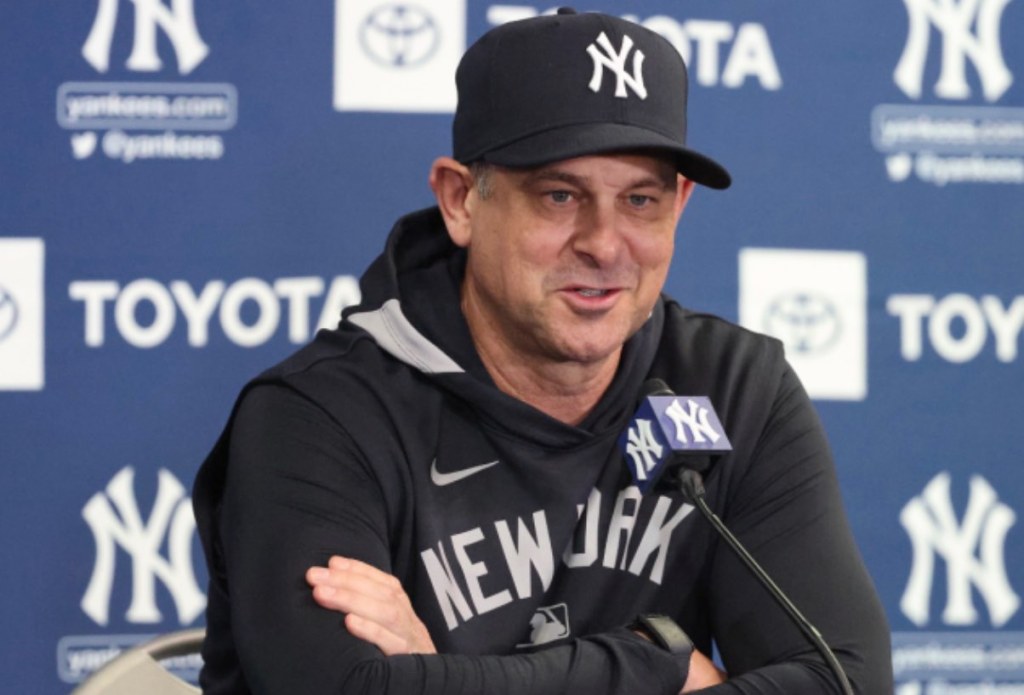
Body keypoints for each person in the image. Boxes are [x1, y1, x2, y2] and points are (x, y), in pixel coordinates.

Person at [193, 8, 893, 694]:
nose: (604, 244)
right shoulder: (319, 416)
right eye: (560, 196)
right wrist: (655, 664)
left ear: (680, 204)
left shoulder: (733, 389)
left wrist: (439, 676)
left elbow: (847, 681)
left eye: (641, 201)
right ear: (461, 200)